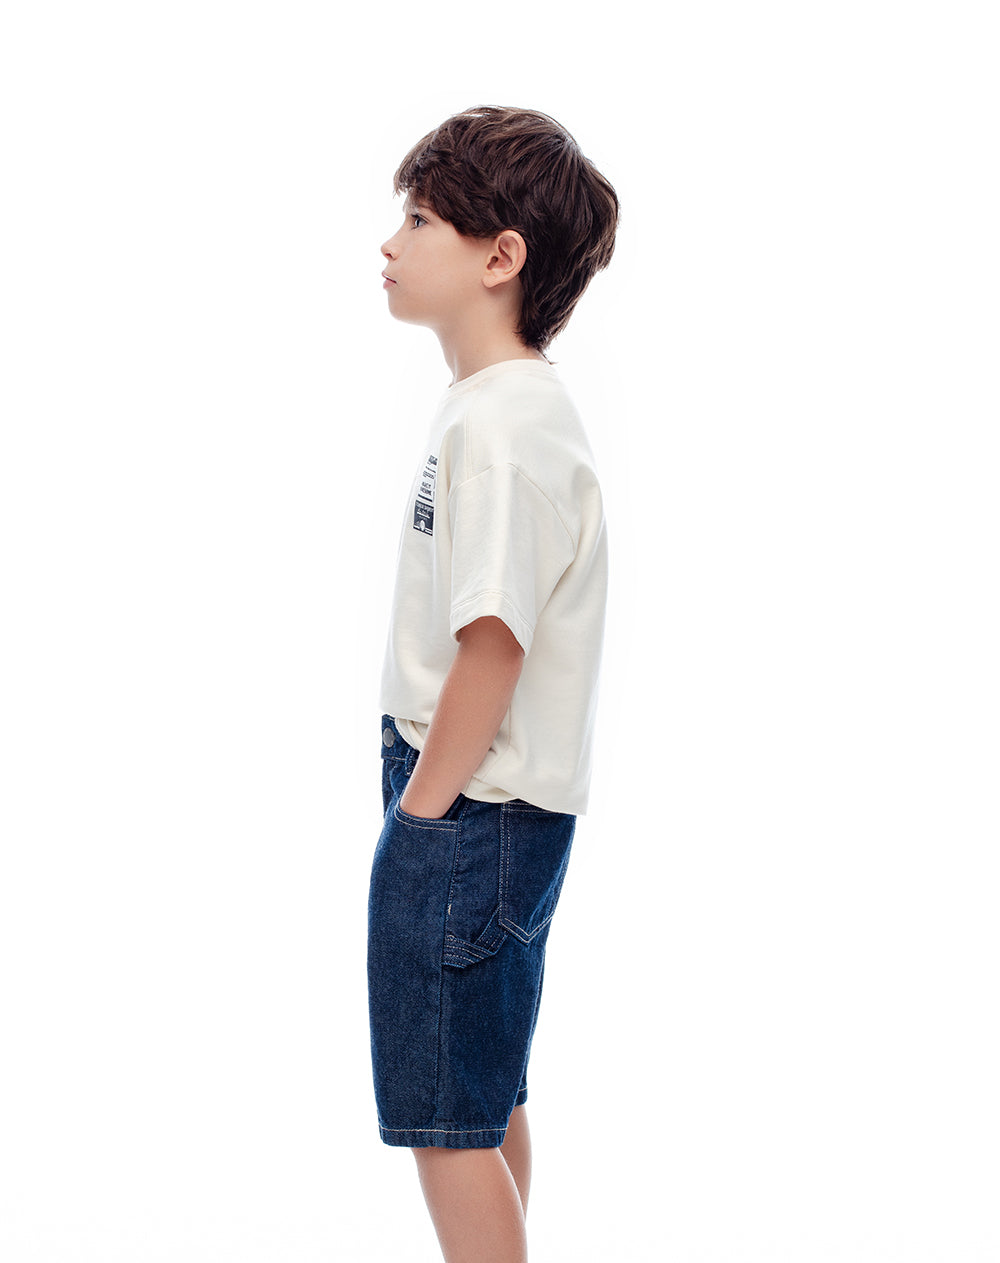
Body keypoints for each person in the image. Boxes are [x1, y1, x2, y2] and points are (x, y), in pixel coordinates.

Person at [368, 105, 618, 1263]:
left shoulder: (505, 430)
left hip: (470, 809)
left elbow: (492, 646)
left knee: (444, 1118)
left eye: (421, 220)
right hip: (496, 811)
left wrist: (421, 816)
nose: (392, 243)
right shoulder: (503, 408)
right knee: (481, 1091)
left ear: (499, 256)